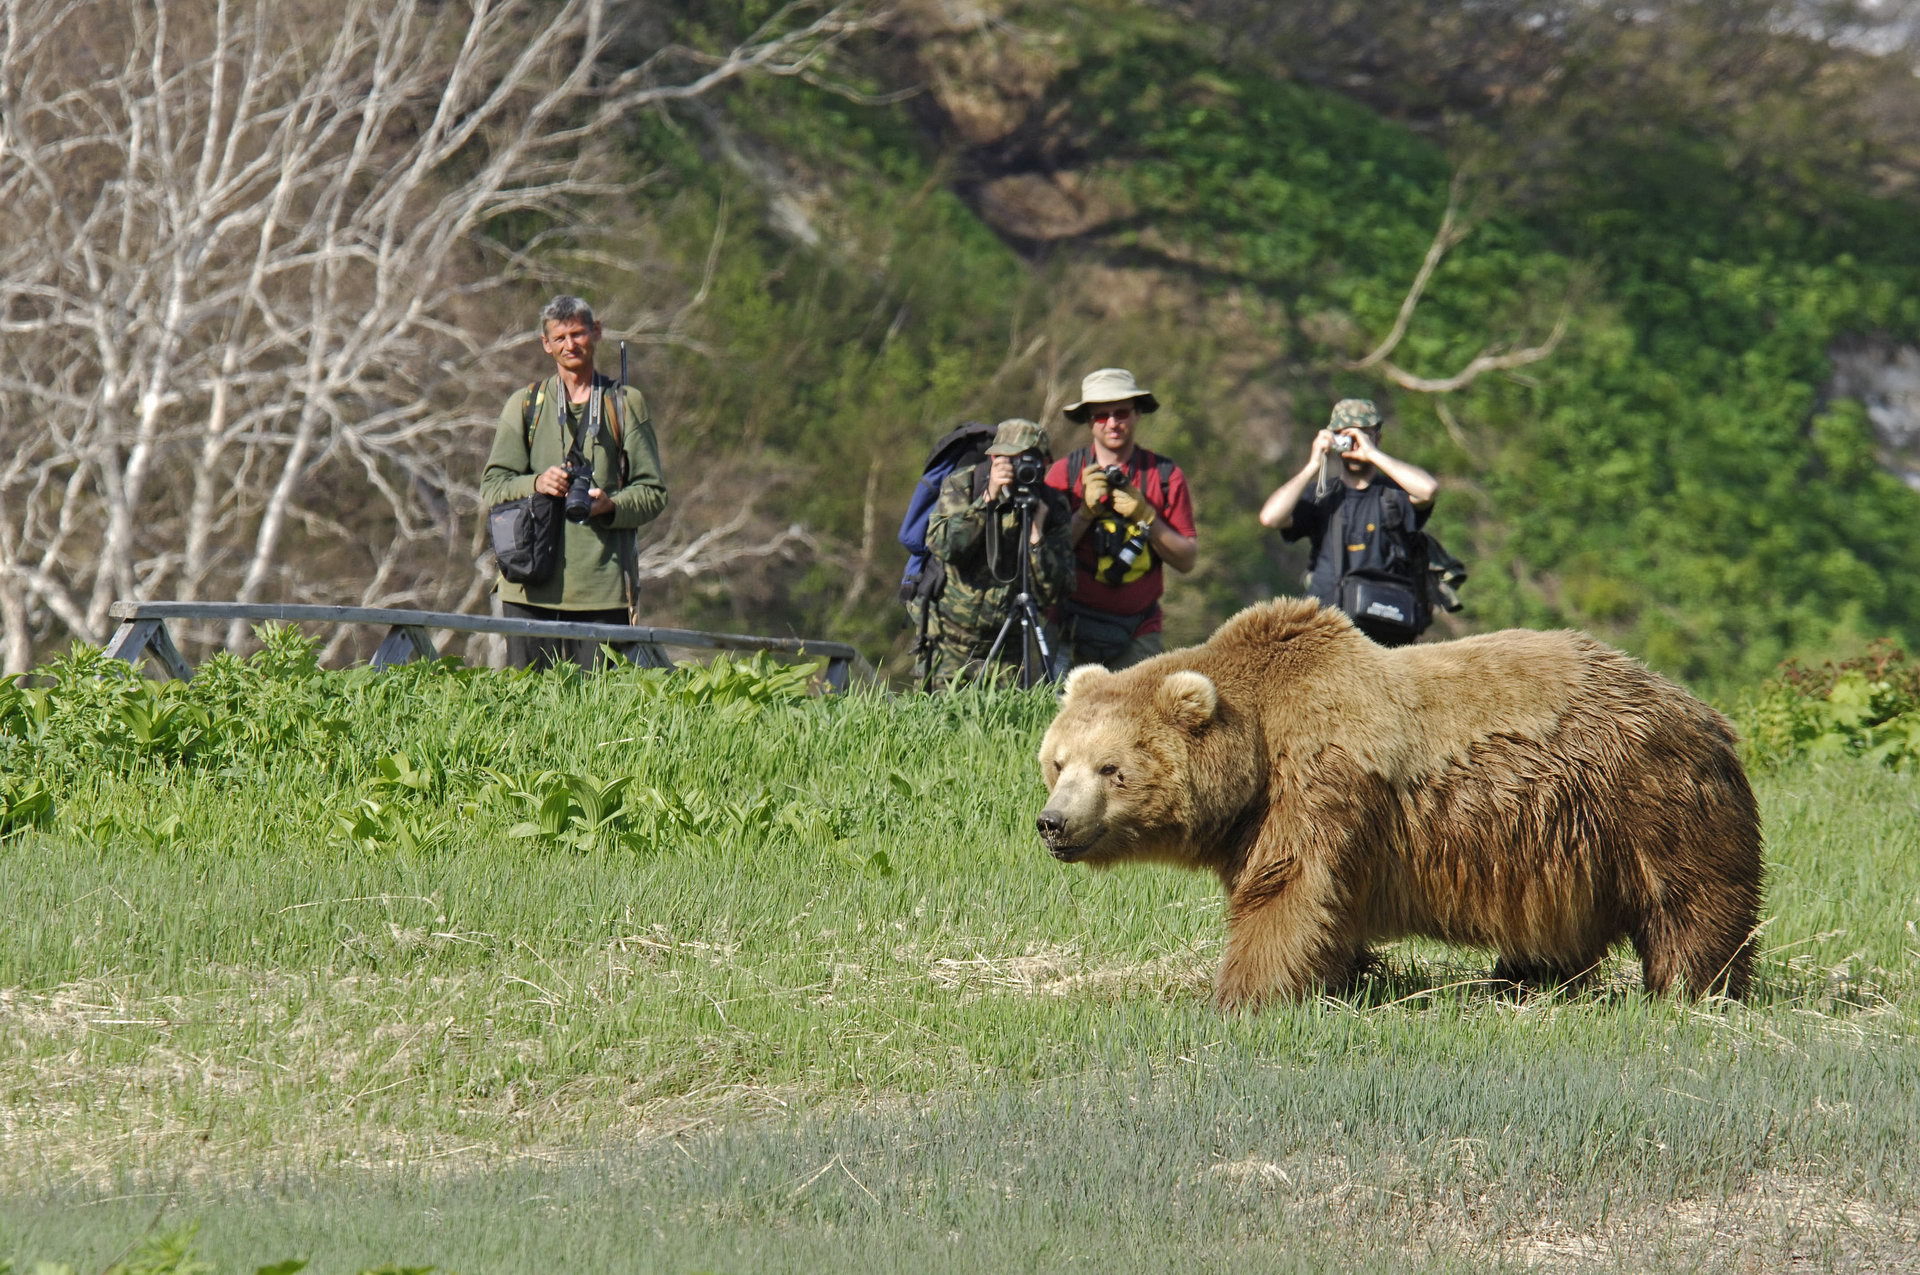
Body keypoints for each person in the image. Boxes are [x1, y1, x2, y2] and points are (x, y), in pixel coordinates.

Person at [482, 295, 668, 669]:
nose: (571, 345)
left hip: (602, 592)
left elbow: (653, 493)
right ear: (546, 344)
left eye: (579, 333)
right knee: (526, 704)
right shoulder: (525, 405)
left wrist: (610, 506)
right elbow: (493, 486)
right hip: (528, 587)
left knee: (600, 715)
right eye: (561, 337)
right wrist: (538, 483)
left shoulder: (625, 404)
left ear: (596, 333)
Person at [1043, 368, 1198, 670]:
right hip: (1066, 625)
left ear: (1137, 414)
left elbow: (1187, 560)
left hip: (1139, 630)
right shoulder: (1064, 474)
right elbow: (1045, 558)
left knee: (1142, 716)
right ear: (1089, 419)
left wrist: (1147, 516)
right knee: (1058, 713)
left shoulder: (1164, 476)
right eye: (1101, 415)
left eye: (1122, 413)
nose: (1112, 423)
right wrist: (1084, 515)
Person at [1258, 398, 1439, 647]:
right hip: (1327, 633)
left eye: (1363, 435)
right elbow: (1270, 517)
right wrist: (1312, 465)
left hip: (1387, 632)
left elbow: (1428, 490)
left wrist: (1373, 454)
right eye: (1345, 436)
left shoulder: (1396, 495)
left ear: (1377, 438)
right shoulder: (1321, 495)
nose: (1354, 444)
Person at [921, 418, 1076, 690]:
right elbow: (944, 546)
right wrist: (987, 500)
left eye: (1027, 460)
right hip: (952, 642)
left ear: (1045, 463)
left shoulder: (1051, 505)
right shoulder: (965, 486)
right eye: (1010, 459)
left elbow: (1055, 591)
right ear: (993, 458)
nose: (1019, 468)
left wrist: (1037, 535)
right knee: (939, 724)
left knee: (1004, 728)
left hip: (1010, 651)